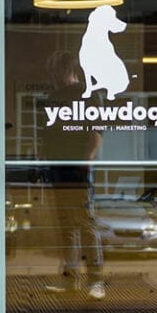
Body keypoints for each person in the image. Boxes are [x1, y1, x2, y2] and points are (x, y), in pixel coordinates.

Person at [41, 51, 105, 300]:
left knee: (85, 223)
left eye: (56, 71)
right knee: (66, 223)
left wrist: (87, 160)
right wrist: (43, 160)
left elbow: (96, 130)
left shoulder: (87, 95)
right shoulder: (53, 97)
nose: (53, 76)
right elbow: (47, 133)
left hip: (78, 167)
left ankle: (95, 281)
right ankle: (70, 280)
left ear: (67, 70)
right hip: (57, 166)